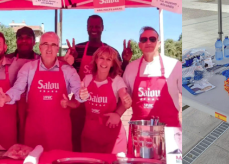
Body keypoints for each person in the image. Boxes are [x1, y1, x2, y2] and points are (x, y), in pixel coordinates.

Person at [0, 32, 83, 151]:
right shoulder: (29, 68)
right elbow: (18, 89)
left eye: (53, 45)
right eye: (45, 44)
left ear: (58, 48)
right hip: (35, 132)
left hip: (60, 133)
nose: (49, 48)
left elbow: (78, 91)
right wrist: (7, 97)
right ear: (40, 47)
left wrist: (82, 94)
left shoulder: (68, 70)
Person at [70, 14, 133, 152]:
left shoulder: (112, 51)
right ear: (86, 28)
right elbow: (71, 77)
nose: (94, 29)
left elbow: (118, 76)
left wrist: (126, 61)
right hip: (81, 110)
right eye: (91, 26)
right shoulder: (78, 50)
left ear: (102, 28)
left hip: (106, 116)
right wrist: (70, 60)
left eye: (97, 26)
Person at [122, 26, 182, 155]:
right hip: (140, 135)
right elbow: (125, 99)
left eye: (152, 39)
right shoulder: (131, 68)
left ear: (159, 43)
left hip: (170, 131)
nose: (148, 42)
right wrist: (116, 114)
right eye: (144, 39)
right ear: (139, 45)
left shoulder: (175, 65)